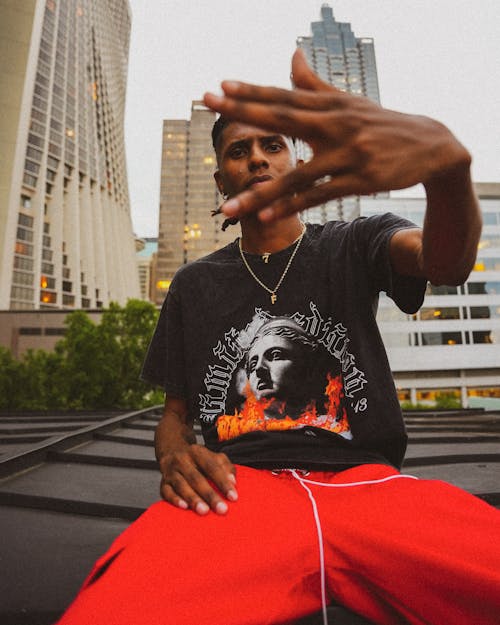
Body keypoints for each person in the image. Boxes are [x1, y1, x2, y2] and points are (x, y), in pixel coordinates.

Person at [57, 50, 499, 625]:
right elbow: (175, 413)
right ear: (221, 179)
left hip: (367, 487)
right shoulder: (193, 284)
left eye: (272, 145)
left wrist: (447, 170)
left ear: (295, 161)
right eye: (239, 151)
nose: (258, 159)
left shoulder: (353, 241)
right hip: (240, 493)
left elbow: (445, 262)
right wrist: (175, 457)